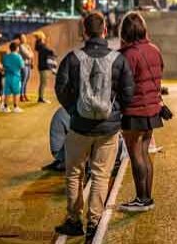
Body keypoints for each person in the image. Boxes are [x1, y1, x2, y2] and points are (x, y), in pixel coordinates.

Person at [54, 12, 134, 240]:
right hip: (108, 129)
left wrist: (73, 110)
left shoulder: (72, 58)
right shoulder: (118, 60)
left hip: (79, 127)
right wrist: (115, 111)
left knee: (74, 174)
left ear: (85, 33)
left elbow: (61, 89)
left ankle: (73, 220)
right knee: (100, 174)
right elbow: (128, 92)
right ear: (105, 31)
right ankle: (94, 222)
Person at [116, 12, 165, 213]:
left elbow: (121, 84)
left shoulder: (127, 55)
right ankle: (147, 197)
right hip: (153, 108)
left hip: (134, 110)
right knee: (145, 152)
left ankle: (141, 198)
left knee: (135, 154)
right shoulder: (154, 49)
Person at [43, 106, 70, 172]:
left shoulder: (69, 108)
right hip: (60, 153)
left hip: (61, 151)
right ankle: (64, 162)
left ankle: (64, 162)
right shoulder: (71, 112)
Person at [2, 41, 25, 113]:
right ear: (17, 48)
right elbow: (22, 66)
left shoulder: (6, 56)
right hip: (16, 77)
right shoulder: (19, 57)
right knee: (16, 92)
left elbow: (4, 66)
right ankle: (15, 107)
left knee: (7, 93)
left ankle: (6, 107)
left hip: (7, 77)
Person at [35, 31, 57, 103]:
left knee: (43, 83)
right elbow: (48, 51)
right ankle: (41, 98)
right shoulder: (41, 46)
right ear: (41, 38)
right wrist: (52, 52)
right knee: (43, 83)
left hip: (42, 66)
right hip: (43, 66)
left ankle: (41, 97)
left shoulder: (40, 45)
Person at [17, 34, 34, 103]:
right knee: (23, 80)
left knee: (26, 80)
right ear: (20, 39)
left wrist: (30, 53)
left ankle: (25, 94)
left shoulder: (27, 46)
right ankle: (21, 95)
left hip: (28, 65)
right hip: (24, 65)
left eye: (25, 37)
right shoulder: (21, 46)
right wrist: (30, 52)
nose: (24, 39)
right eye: (22, 38)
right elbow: (29, 55)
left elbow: (32, 54)